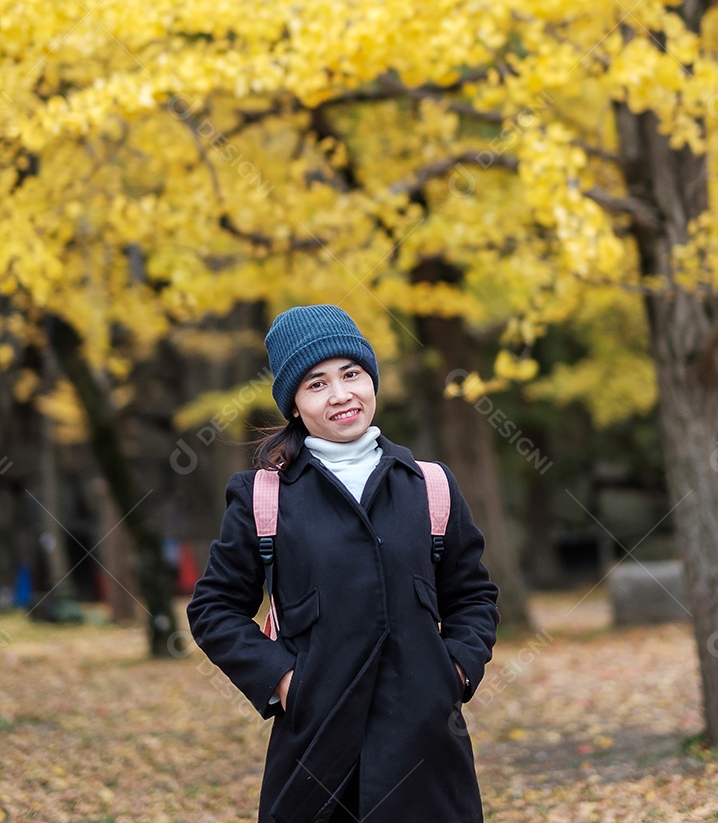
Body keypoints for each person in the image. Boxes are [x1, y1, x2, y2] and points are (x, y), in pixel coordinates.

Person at [187, 304, 500, 823]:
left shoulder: (432, 486)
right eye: (316, 383)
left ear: (370, 379)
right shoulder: (261, 497)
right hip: (316, 755)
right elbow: (213, 609)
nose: (340, 395)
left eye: (351, 374)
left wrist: (457, 672)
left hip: (428, 755)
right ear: (293, 404)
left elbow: (472, 597)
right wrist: (285, 681)